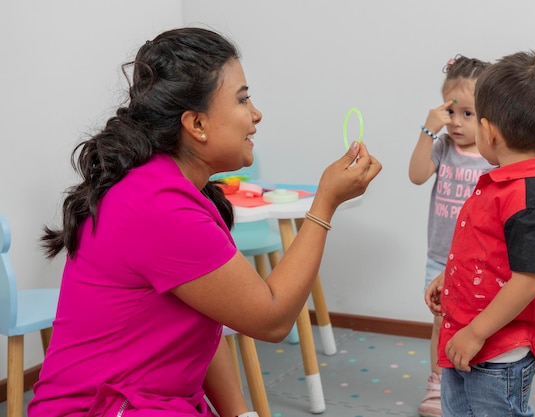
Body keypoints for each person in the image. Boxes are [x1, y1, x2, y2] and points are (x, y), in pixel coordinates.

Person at [28, 27, 381, 417]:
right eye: (243, 99)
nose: (256, 114)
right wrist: (324, 204)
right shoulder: (157, 205)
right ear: (196, 124)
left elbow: (203, 316)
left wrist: (240, 413)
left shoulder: (174, 189)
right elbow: (273, 317)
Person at [425, 50, 535, 416]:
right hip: (463, 336)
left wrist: (476, 333)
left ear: (489, 132)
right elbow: (484, 248)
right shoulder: (500, 182)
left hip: (498, 354)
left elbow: (527, 282)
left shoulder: (529, 197)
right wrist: (450, 275)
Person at [408, 55, 492, 417]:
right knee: (442, 321)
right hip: (441, 256)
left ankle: (473, 385)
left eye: (468, 114)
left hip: (478, 262)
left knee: (477, 323)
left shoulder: (492, 157)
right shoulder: (442, 147)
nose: (456, 122)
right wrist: (427, 130)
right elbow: (415, 175)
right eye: (451, 112)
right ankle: (438, 381)